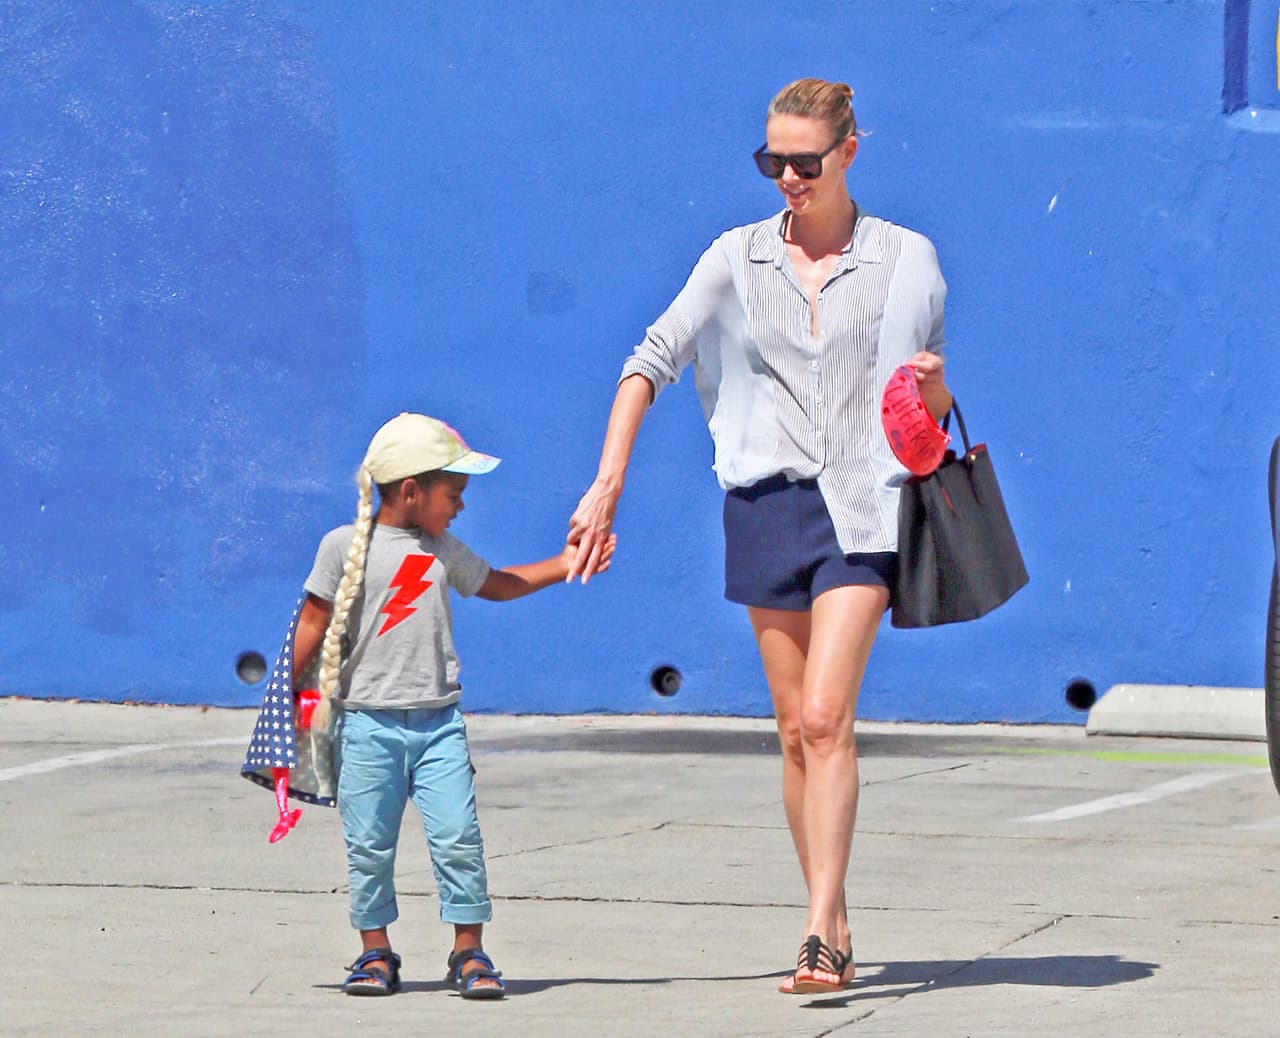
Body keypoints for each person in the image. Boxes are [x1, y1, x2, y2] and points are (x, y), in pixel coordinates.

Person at [567, 78, 951, 994]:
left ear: (849, 153)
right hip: (762, 507)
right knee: (790, 732)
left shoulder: (908, 261)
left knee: (826, 717)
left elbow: (922, 404)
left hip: (863, 508)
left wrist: (934, 394)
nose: (786, 177)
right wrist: (606, 482)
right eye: (771, 160)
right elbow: (649, 360)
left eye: (804, 162)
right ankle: (839, 911)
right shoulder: (735, 260)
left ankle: (818, 930)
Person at [293, 411, 615, 999]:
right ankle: (375, 954)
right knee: (368, 843)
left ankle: (469, 952)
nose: (461, 505)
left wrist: (566, 563)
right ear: (412, 492)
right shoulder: (343, 547)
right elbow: (313, 622)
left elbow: (499, 583)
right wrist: (294, 693)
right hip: (367, 726)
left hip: (439, 727)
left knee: (458, 838)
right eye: (454, 493)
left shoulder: (443, 550)